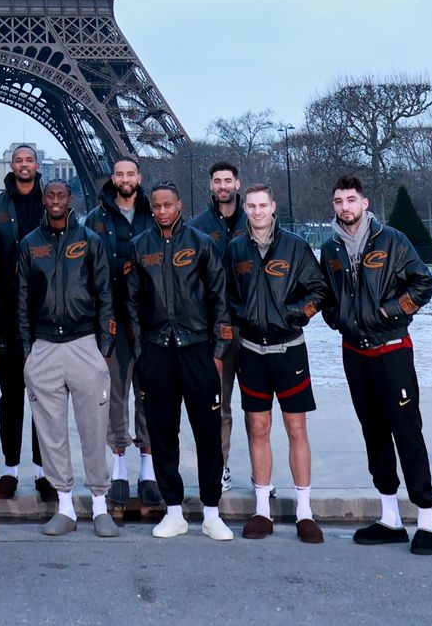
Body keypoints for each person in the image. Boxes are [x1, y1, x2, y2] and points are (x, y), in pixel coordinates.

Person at [321, 174, 432, 555]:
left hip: (391, 349)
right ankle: (390, 516)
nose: (345, 207)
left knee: (407, 431)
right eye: (339, 201)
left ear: (365, 203)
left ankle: (426, 519)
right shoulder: (331, 249)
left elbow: (423, 284)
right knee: (373, 432)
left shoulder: (393, 240)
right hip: (355, 353)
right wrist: (337, 317)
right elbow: (325, 294)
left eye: (351, 200)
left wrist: (388, 312)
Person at [126, 182, 234, 541]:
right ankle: (173, 510)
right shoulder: (139, 247)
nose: (161, 211)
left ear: (179, 204)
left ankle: (211, 511)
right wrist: (140, 349)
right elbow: (132, 303)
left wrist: (218, 350)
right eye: (155, 206)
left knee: (207, 432)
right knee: (162, 432)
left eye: (167, 205)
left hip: (197, 347)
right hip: (157, 350)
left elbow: (220, 297)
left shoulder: (202, 243)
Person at [225, 183, 329, 542]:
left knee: (296, 429)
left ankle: (304, 510)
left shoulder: (296, 247)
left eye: (262, 205)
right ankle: (262, 509)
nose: (256, 211)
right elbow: (225, 294)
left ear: (273, 207)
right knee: (258, 428)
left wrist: (295, 314)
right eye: (250, 206)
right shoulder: (235, 248)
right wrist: (239, 319)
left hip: (289, 349)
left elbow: (319, 290)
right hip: (251, 350)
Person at [18, 179, 118, 538]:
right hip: (44, 346)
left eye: (62, 195)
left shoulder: (91, 241)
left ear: (69, 199)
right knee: (51, 432)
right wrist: (29, 350)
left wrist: (104, 346)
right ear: (44, 200)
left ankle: (100, 503)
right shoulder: (29, 244)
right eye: (51, 196)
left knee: (94, 429)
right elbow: (22, 300)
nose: (56, 201)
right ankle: (64, 504)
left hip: (83, 343)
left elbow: (106, 293)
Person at [85, 155, 159, 515]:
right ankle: (119, 467)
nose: (125, 179)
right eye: (119, 174)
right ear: (112, 178)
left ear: (138, 177)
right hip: (112, 318)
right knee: (115, 392)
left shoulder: (154, 213)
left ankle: (148, 467)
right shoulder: (95, 219)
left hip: (151, 317)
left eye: (130, 173)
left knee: (149, 391)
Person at [0, 143, 50, 500]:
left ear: (37, 165)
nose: (24, 165)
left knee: (45, 396)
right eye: (18, 160)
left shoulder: (53, 203)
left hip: (45, 314)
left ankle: (43, 471)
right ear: (11, 166)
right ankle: (10, 469)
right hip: (7, 314)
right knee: (11, 395)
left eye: (29, 160)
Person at [189, 159, 242, 490]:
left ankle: (260, 475)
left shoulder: (254, 219)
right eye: (217, 181)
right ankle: (220, 467)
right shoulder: (197, 226)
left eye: (228, 180)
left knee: (256, 408)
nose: (223, 186)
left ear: (237, 183)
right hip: (214, 329)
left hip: (249, 326)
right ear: (211, 185)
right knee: (218, 404)